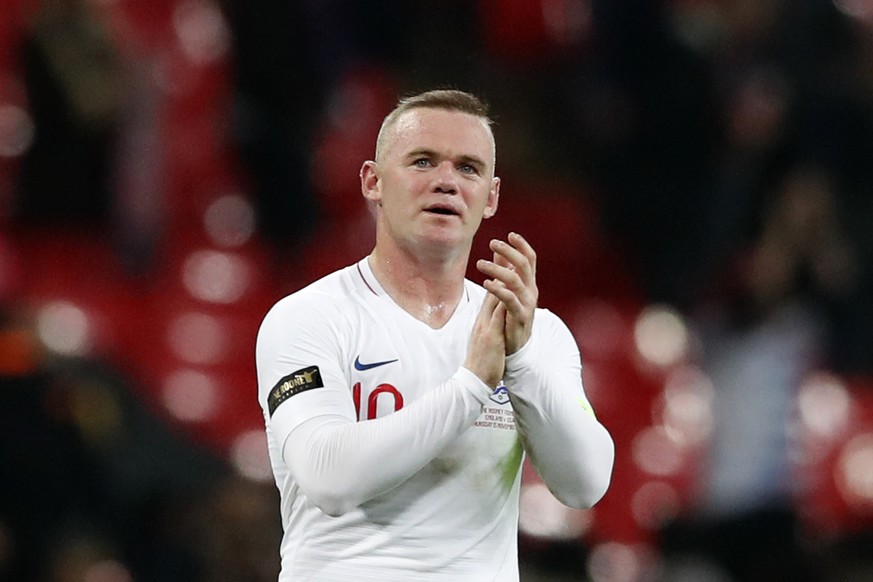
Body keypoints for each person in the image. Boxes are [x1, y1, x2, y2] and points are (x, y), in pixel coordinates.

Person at [255, 89, 614, 581]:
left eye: (468, 168)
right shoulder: (309, 318)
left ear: (491, 197)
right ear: (373, 181)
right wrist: (470, 387)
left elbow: (585, 484)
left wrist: (524, 361)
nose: (447, 182)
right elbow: (327, 476)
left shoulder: (534, 334)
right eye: (423, 162)